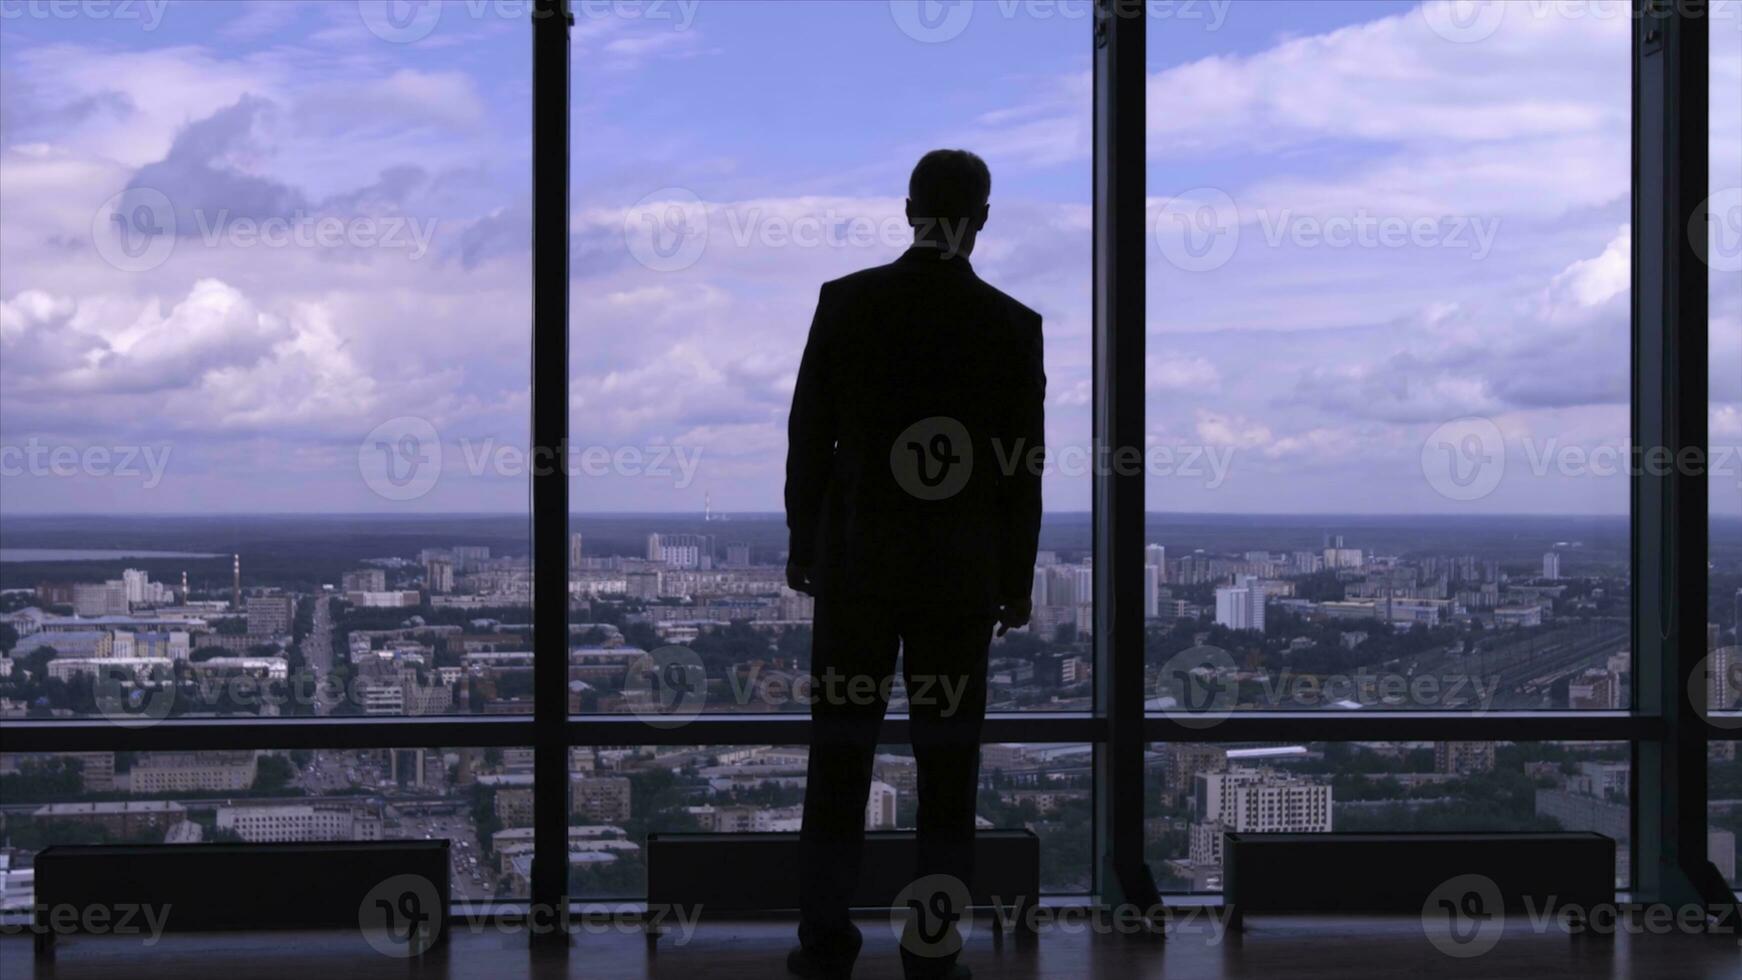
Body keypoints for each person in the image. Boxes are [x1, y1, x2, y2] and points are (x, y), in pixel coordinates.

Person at [783, 149, 1046, 980]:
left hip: (857, 569)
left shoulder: (846, 303)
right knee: (947, 770)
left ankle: (824, 941)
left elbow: (808, 441)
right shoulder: (1012, 325)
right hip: (959, 581)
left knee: (838, 761)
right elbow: (1018, 468)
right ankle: (932, 950)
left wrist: (805, 545)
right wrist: (1014, 579)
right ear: (984, 216)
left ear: (907, 210)